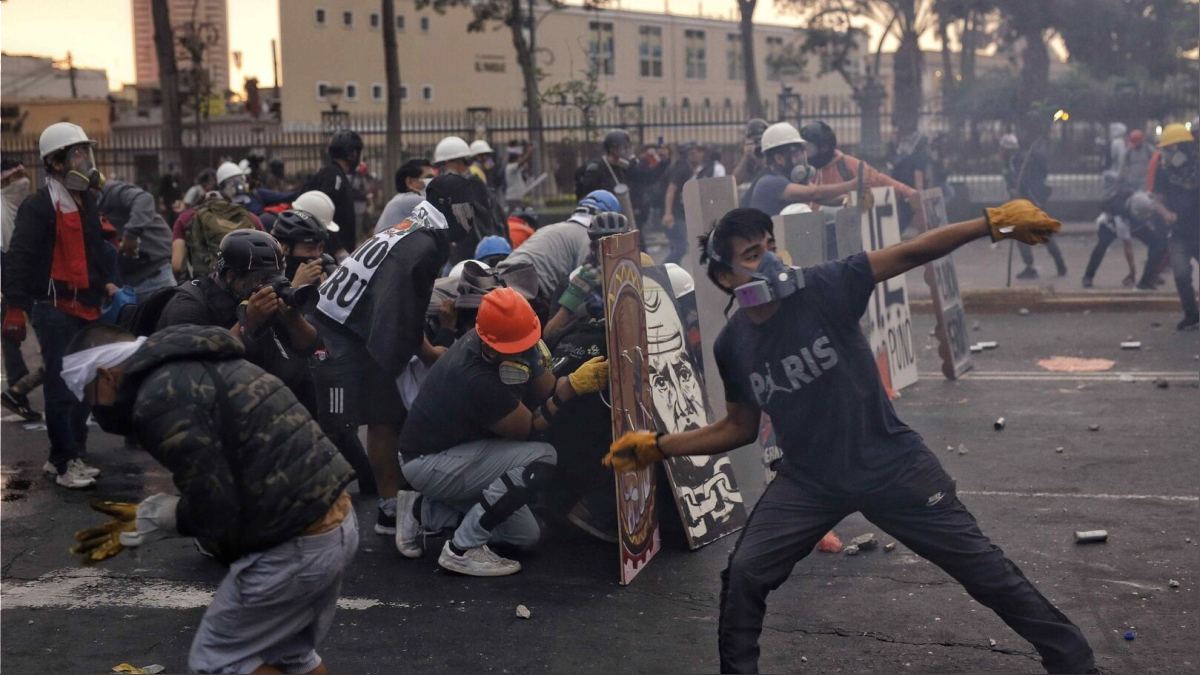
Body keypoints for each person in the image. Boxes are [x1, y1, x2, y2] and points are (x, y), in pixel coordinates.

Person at [604, 201, 1097, 674]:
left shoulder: (825, 287)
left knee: (987, 575)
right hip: (811, 481)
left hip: (892, 465)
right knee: (746, 574)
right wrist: (657, 446)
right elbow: (738, 427)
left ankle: (1073, 660)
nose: (772, 260)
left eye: (770, 245)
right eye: (753, 255)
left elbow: (911, 252)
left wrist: (990, 223)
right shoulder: (733, 343)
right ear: (725, 276)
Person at [62, 323, 356, 674]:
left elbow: (216, 504)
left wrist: (163, 517)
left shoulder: (158, 397)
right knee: (288, 653)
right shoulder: (190, 360)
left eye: (92, 398)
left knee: (219, 662)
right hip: (333, 518)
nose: (97, 410)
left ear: (106, 375)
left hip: (295, 540)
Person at [396, 287, 610, 574]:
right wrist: (569, 389)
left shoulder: (500, 343)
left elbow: (546, 387)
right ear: (491, 345)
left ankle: (421, 510)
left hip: (456, 451)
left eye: (528, 342)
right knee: (540, 457)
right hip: (427, 461)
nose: (525, 351)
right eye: (518, 346)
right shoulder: (477, 379)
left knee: (524, 536)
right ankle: (462, 549)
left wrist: (555, 373)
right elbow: (529, 429)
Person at [310, 176, 472, 536]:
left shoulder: (416, 226)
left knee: (385, 415)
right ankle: (312, 513)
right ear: (450, 205)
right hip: (340, 333)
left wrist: (419, 350)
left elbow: (404, 304)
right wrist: (418, 355)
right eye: (468, 210)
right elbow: (399, 307)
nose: (471, 219)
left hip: (349, 326)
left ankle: (388, 508)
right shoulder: (425, 243)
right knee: (337, 426)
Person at [3, 122, 119, 489]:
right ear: (55, 162)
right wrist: (16, 307)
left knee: (85, 384)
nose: (85, 160)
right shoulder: (39, 207)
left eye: (86, 152)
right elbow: (19, 257)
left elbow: (92, 251)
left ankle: (71, 455)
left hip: (86, 305)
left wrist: (108, 283)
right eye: (77, 153)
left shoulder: (87, 202)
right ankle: (63, 460)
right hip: (53, 308)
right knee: (59, 386)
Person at [158, 229, 319, 399]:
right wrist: (248, 323)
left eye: (277, 275)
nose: (270, 284)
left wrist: (292, 318)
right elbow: (191, 376)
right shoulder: (188, 307)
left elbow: (310, 346)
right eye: (262, 278)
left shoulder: (261, 296)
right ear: (230, 276)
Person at [495, 190, 621, 311]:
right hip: (528, 293)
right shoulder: (588, 238)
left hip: (498, 280)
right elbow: (588, 286)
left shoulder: (552, 228)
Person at [1, 159, 43, 421]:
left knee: (14, 339)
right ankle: (18, 391)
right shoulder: (2, 210)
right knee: (15, 336)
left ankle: (18, 391)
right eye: (17, 177)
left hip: (25, 282)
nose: (24, 181)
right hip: (14, 286)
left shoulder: (18, 207)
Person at [742, 122, 858, 217]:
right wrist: (852, 185)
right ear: (779, 158)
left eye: (801, 153)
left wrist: (848, 200)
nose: (801, 159)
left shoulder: (790, 178)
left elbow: (823, 198)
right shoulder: (769, 182)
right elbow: (814, 193)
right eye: (795, 154)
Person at [1150, 123, 1199, 331]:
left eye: (1172, 149)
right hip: (1179, 233)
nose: (1168, 154)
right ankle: (1191, 314)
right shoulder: (1165, 173)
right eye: (1166, 149)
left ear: (1184, 148)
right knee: (1180, 274)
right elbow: (1157, 200)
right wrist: (1165, 213)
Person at [1000, 133, 1068, 279]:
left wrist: (1018, 191)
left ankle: (1047, 264)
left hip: (1029, 202)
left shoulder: (1020, 161)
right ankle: (1057, 263)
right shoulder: (1011, 161)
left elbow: (1026, 181)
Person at [98, 181, 175, 300]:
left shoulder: (110, 192)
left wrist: (131, 234)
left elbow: (144, 199)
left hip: (154, 276)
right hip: (122, 286)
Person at [1082, 175, 1162, 289]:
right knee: (1102, 246)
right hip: (1109, 226)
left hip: (1134, 223)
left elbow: (1154, 202)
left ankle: (1150, 275)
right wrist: (1133, 272)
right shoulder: (1120, 217)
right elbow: (1128, 248)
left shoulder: (1142, 198)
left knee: (1157, 244)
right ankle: (1088, 276)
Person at [302, 130, 364, 256]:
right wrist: (337, 248)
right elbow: (322, 214)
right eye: (357, 152)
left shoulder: (334, 174)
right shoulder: (334, 175)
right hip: (332, 252)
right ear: (351, 154)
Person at [661, 143, 724, 263]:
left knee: (676, 247)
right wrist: (668, 213)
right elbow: (671, 190)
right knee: (681, 248)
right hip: (674, 214)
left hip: (680, 213)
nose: (697, 154)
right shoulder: (682, 169)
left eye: (699, 151)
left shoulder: (696, 169)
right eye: (693, 152)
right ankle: (662, 272)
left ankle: (672, 276)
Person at [375, 159, 434, 234]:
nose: (434, 181)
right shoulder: (411, 200)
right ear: (409, 181)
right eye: (429, 177)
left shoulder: (400, 198)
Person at [733, 118, 769, 187]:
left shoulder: (774, 154)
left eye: (761, 140)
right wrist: (747, 156)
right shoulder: (750, 159)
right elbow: (735, 182)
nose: (759, 144)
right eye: (755, 141)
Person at [504, 140, 535, 210]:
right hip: (513, 198)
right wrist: (529, 153)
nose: (520, 158)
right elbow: (521, 162)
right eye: (518, 157)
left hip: (518, 197)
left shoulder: (515, 168)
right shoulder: (510, 167)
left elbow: (523, 166)